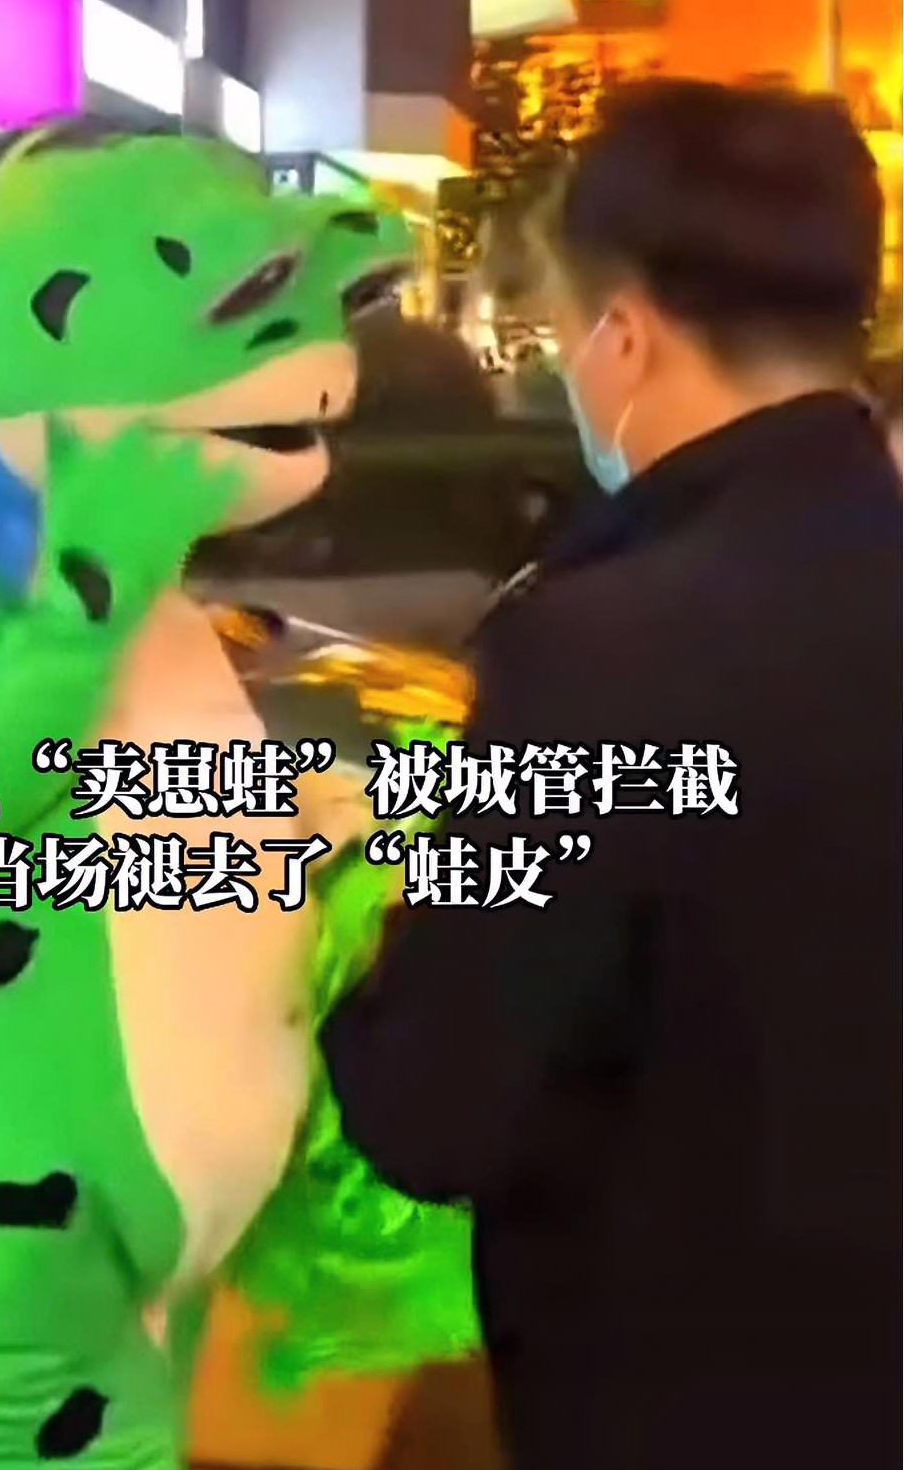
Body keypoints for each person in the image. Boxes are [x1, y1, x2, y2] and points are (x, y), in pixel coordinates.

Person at [322, 78, 901, 1470]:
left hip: (673, 1391)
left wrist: (349, 916)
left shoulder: (598, 650)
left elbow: (437, 1108)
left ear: (624, 335)